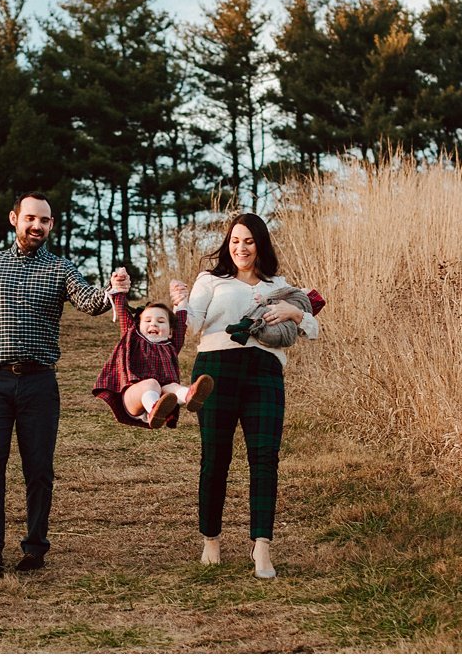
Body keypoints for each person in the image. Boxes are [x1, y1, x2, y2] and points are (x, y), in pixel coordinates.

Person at [0, 192, 129, 578]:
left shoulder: (61, 269)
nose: (36, 226)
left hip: (40, 382)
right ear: (14, 219)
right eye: (30, 218)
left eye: (44, 220)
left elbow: (89, 302)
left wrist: (113, 289)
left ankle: (35, 549)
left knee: (39, 468)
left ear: (51, 225)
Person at [171, 212, 319, 579]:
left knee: (265, 457)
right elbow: (190, 327)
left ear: (260, 245)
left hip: (265, 372)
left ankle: (262, 546)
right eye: (236, 240)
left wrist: (294, 313)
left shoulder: (279, 284)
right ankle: (211, 540)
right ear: (228, 244)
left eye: (249, 241)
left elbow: (313, 328)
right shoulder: (211, 279)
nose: (241, 247)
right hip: (216, 371)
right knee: (215, 456)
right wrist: (179, 305)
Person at [91, 268, 214, 430]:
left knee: (172, 387)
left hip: (163, 396)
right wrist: (119, 286)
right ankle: (153, 409)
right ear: (138, 325)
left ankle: (190, 395)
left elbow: (181, 322)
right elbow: (121, 310)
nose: (154, 324)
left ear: (170, 331)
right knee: (152, 383)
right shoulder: (132, 337)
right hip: (133, 396)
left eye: (161, 321)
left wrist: (182, 301)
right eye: (148, 320)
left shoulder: (171, 345)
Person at [224, 286, 325, 347]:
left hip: (270, 356)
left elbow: (313, 332)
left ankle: (246, 325)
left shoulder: (283, 286)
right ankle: (247, 331)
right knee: (264, 310)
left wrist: (294, 313)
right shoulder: (214, 280)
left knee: (261, 308)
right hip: (224, 351)